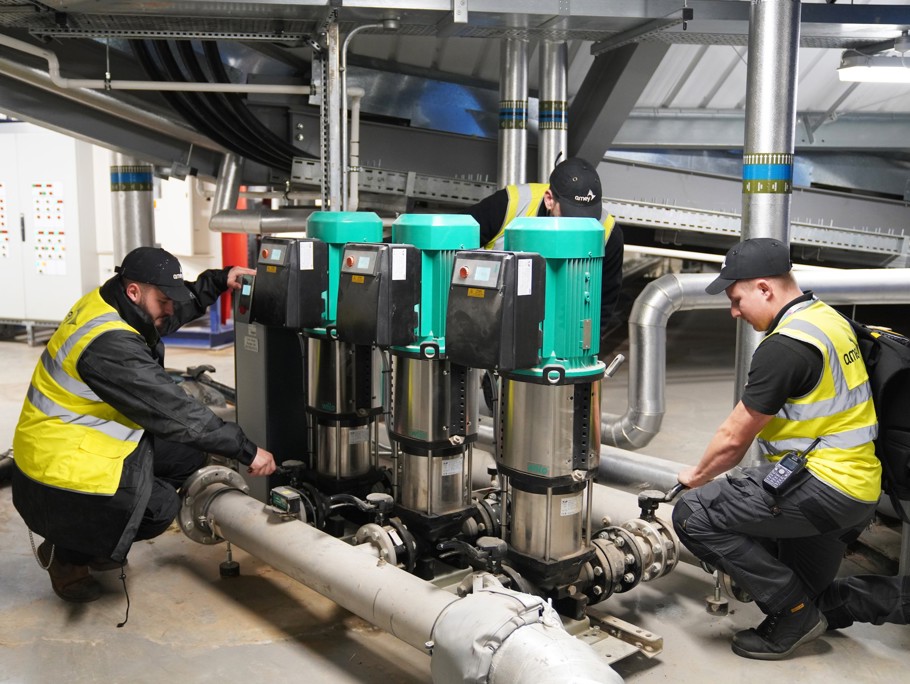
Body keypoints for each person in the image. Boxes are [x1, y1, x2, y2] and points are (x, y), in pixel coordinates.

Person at [12, 246, 276, 603]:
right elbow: (176, 412)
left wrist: (218, 280)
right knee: (157, 508)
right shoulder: (110, 345)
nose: (169, 309)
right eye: (163, 300)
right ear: (135, 291)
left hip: (84, 436)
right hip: (57, 467)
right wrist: (247, 450)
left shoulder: (114, 301)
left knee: (187, 458)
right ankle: (68, 555)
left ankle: (90, 534)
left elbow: (171, 309)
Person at [671, 238, 880, 660]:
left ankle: (795, 615)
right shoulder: (828, 319)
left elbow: (733, 438)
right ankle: (820, 609)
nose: (734, 312)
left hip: (824, 487)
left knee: (695, 514)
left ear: (765, 288)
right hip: (859, 488)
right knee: (807, 592)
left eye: (737, 299)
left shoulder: (786, 346)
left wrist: (695, 479)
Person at [465, 157, 625, 340]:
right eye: (572, 217)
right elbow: (451, 239)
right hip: (496, 326)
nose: (580, 226)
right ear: (549, 200)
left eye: (589, 217)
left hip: (563, 333)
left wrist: (586, 351)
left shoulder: (608, 232)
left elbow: (604, 303)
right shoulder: (511, 204)